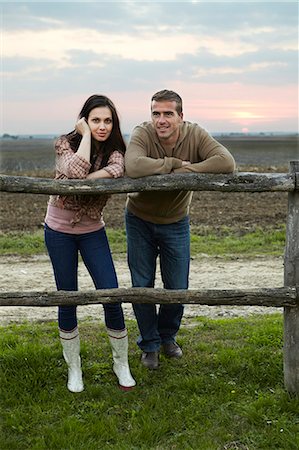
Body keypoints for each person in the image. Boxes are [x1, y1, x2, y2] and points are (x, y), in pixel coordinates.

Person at [125, 89, 236, 370]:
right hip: (139, 219)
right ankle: (149, 344)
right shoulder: (142, 133)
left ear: (181, 116)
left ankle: (168, 337)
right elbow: (134, 166)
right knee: (142, 285)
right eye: (156, 113)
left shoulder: (195, 134)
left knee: (177, 286)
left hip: (176, 221)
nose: (160, 120)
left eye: (167, 114)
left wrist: (187, 172)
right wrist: (173, 164)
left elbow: (226, 162)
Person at [44, 94, 135, 392]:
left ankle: (121, 364)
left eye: (108, 120)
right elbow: (73, 171)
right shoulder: (64, 142)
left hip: (93, 230)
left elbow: (117, 170)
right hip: (58, 230)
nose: (103, 126)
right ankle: (75, 369)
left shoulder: (115, 150)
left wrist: (84, 180)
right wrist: (83, 136)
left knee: (111, 293)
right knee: (67, 296)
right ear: (84, 120)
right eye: (95, 120)